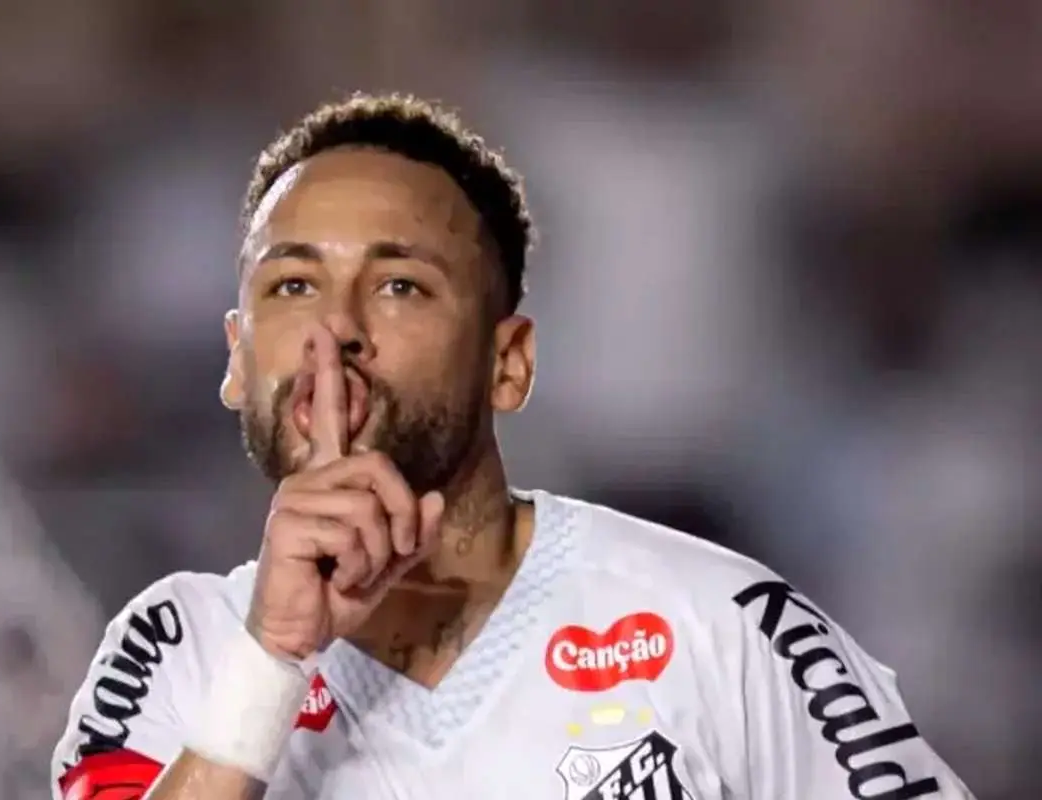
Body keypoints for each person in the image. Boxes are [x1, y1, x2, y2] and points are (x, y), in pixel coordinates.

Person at [52, 93, 974, 800]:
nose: (336, 330)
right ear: (235, 359)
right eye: (292, 287)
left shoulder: (720, 628)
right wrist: (273, 661)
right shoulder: (179, 647)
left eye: (400, 286)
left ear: (509, 364)